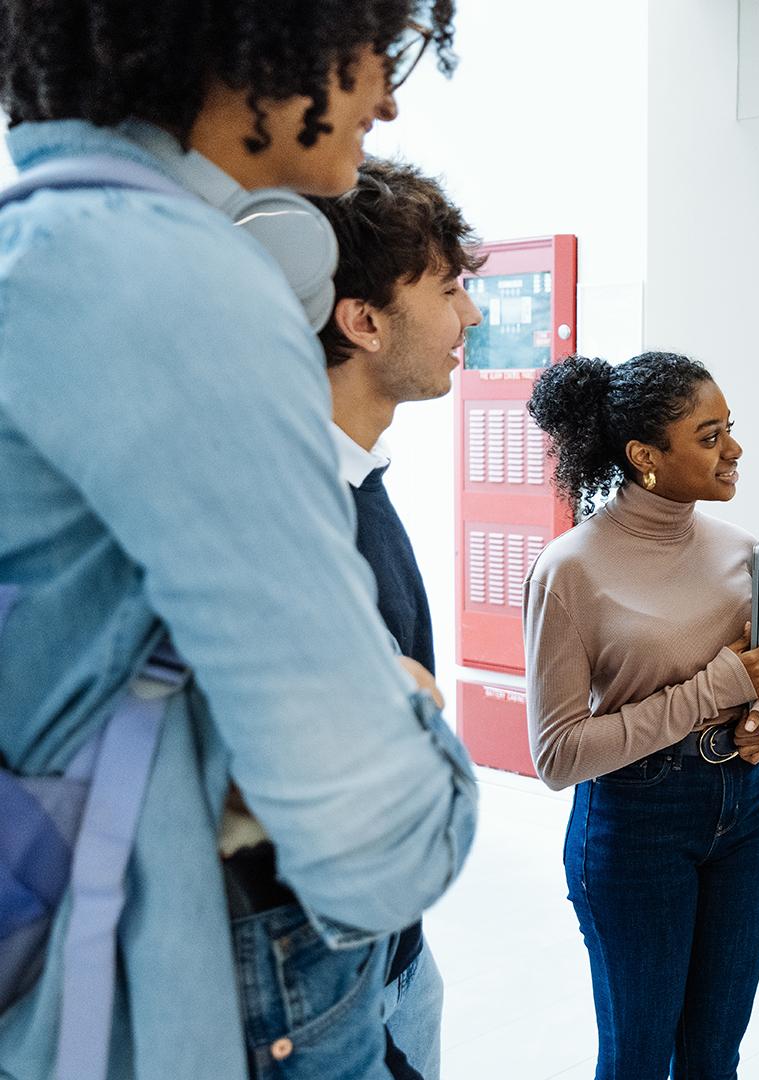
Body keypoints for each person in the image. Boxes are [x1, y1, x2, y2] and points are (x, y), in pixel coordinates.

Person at [0, 4, 477, 1079]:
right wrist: (406, 705)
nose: (389, 98)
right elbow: (380, 849)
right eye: (380, 51)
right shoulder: (176, 281)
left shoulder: (34, 253)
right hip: (178, 990)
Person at [522, 352, 759, 1080]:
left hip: (747, 812)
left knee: (714, 1054)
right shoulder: (571, 569)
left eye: (729, 430)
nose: (734, 450)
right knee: (639, 1059)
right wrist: (707, 694)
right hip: (634, 824)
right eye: (710, 437)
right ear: (646, 456)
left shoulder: (745, 551)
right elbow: (557, 757)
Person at [309, 156, 486, 1078]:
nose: (472, 315)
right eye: (450, 289)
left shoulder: (360, 481)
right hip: (338, 985)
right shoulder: (294, 519)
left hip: (396, 963)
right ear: (363, 320)